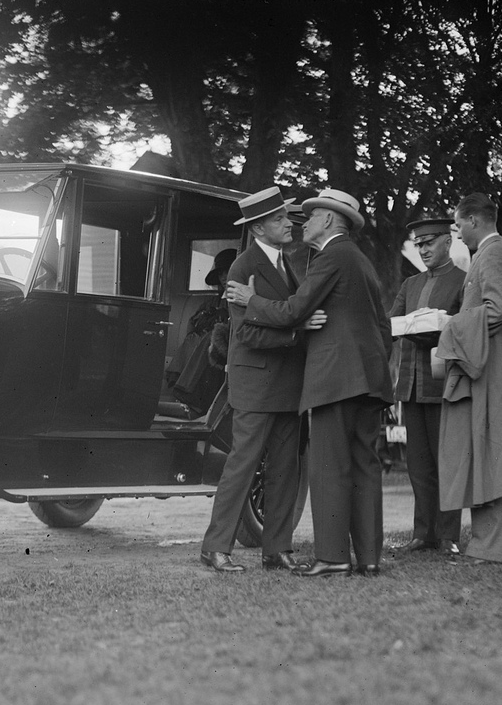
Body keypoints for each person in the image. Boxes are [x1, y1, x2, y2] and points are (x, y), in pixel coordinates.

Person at [225, 188, 393, 577]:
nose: (303, 222)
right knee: (365, 467)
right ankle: (368, 558)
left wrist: (251, 299)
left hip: (336, 381)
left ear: (331, 221)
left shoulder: (331, 256)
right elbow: (382, 326)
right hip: (369, 381)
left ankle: (333, 556)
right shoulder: (361, 261)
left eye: (311, 215)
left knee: (329, 467)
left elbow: (294, 310)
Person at [200, 187, 325, 573]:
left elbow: (273, 315)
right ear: (257, 228)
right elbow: (247, 335)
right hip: (256, 386)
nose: (289, 224)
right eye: (278, 220)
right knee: (242, 467)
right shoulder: (241, 268)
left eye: (287, 217)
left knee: (286, 470)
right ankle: (215, 547)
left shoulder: (290, 264)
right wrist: (297, 331)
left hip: (286, 386)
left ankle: (277, 548)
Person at [437, 192, 502, 565]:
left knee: (489, 453)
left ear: (474, 220)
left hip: (488, 370)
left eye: (458, 227)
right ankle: (485, 544)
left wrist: (450, 324)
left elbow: (497, 311)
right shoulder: (494, 254)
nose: (458, 234)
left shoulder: (494, 255)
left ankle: (491, 546)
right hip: (484, 366)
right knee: (483, 452)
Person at [387, 218, 466, 557]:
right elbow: (393, 323)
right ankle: (423, 533)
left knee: (445, 462)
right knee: (418, 465)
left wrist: (439, 325)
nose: (423, 250)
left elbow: (465, 329)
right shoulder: (411, 284)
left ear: (447, 241)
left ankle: (448, 535)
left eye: (429, 243)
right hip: (411, 386)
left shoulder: (463, 281)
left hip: (443, 386)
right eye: (418, 245)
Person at [165, 249, 235, 416]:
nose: (224, 277)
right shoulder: (212, 301)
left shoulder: (241, 298)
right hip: (207, 345)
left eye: (228, 271)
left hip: (228, 346)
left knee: (208, 341)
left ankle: (189, 396)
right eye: (220, 274)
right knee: (195, 339)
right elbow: (194, 323)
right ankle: (187, 396)